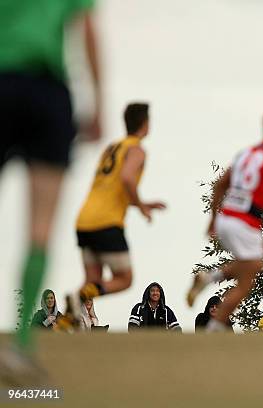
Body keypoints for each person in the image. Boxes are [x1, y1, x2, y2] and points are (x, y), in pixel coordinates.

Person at [0, 0, 101, 384]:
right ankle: (21, 348)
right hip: (46, 89)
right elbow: (88, 27)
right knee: (39, 229)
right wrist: (99, 103)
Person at [186, 111, 263, 332]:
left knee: (251, 266)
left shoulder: (244, 154)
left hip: (226, 217)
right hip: (245, 223)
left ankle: (209, 278)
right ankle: (212, 331)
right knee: (247, 280)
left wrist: (212, 221)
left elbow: (220, 185)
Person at [62, 103, 166, 326]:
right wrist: (141, 207)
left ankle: (66, 324)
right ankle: (78, 297)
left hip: (84, 220)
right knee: (124, 279)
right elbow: (127, 178)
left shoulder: (112, 148)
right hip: (107, 222)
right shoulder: (136, 149)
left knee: (93, 281)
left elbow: (110, 188)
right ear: (146, 124)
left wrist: (141, 203)